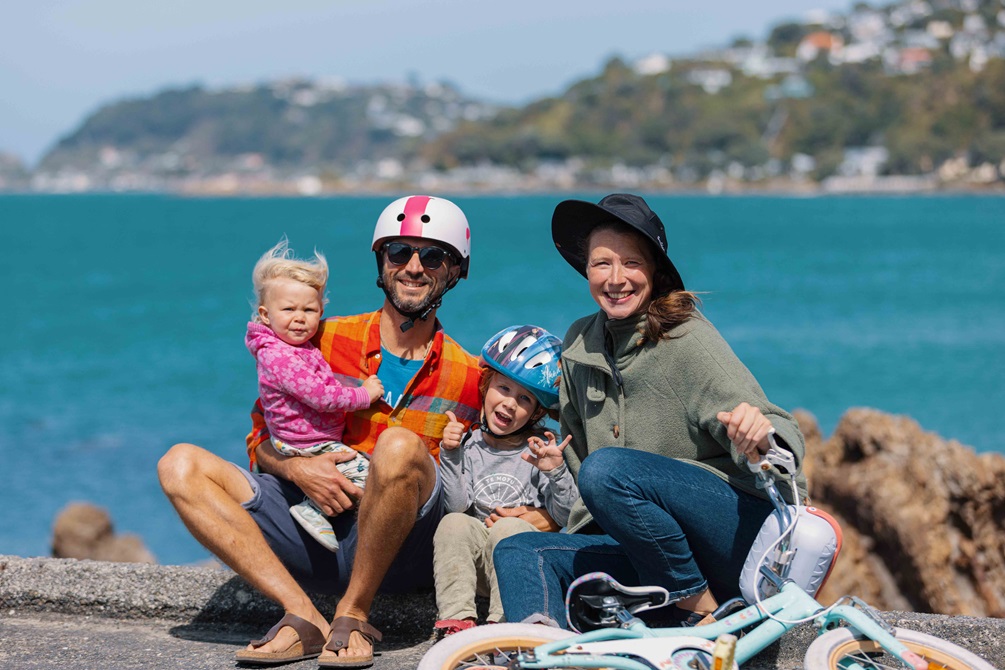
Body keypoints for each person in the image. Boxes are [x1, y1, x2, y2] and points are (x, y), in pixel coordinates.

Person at [158, 195, 483, 668]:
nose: (413, 267)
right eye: (399, 252)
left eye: (432, 256)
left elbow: (491, 466)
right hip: (311, 528)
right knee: (179, 464)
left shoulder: (471, 375)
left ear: (455, 271)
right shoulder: (319, 339)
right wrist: (297, 467)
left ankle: (353, 612)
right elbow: (260, 437)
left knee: (397, 445)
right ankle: (302, 615)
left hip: (401, 553)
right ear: (381, 261)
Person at [495, 193, 808, 629]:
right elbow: (578, 467)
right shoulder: (578, 344)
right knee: (519, 551)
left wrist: (759, 439)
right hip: (647, 552)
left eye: (632, 263)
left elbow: (778, 428)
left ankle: (700, 610)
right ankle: (544, 653)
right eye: (602, 263)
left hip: (735, 538)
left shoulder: (687, 339)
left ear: (654, 272)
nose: (616, 278)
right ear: (585, 269)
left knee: (606, 470)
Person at [433, 325, 578, 636]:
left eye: (525, 399)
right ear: (486, 386)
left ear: (537, 413)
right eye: (504, 388)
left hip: (522, 569)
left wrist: (555, 470)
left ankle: (505, 622)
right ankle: (456, 620)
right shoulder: (469, 446)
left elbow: (565, 517)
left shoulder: (539, 450)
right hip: (480, 568)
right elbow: (457, 506)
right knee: (453, 523)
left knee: (510, 527)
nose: (511, 403)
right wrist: (450, 453)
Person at [245, 239, 384, 552]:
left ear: (321, 311)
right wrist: (365, 395)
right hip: (302, 442)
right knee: (366, 474)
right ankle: (312, 509)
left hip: (306, 437)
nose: (299, 317)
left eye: (309, 310)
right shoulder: (278, 356)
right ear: (266, 315)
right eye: (289, 309)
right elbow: (323, 397)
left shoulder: (294, 348)